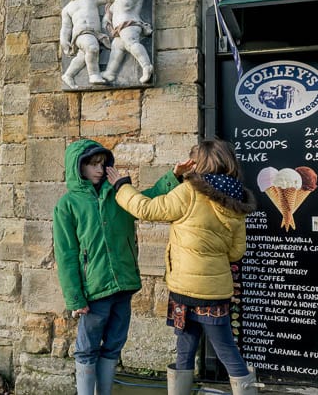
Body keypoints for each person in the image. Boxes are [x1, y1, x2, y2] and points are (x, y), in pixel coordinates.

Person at [106, 138, 259, 395]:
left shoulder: (190, 191)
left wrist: (121, 186)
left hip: (185, 289)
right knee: (227, 349)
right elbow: (236, 252)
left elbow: (147, 208)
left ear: (199, 163)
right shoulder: (237, 200)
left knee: (185, 348)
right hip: (215, 292)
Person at [53, 138, 192, 395]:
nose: (99, 169)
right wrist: (75, 298)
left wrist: (173, 176)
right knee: (87, 348)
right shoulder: (67, 205)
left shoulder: (118, 194)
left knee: (115, 344)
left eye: (102, 164)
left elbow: (148, 200)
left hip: (123, 285)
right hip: (94, 290)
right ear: (78, 167)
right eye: (92, 164)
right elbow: (66, 254)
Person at [97, 0, 154, 84]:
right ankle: (110, 73)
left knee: (131, 44)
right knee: (116, 48)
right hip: (121, 28)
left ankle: (146, 66)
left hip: (128, 25)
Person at [59, 0, 114, 89]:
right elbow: (66, 28)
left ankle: (68, 75)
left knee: (82, 57)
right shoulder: (67, 9)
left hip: (94, 33)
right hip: (80, 34)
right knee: (92, 48)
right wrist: (63, 40)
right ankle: (94, 74)